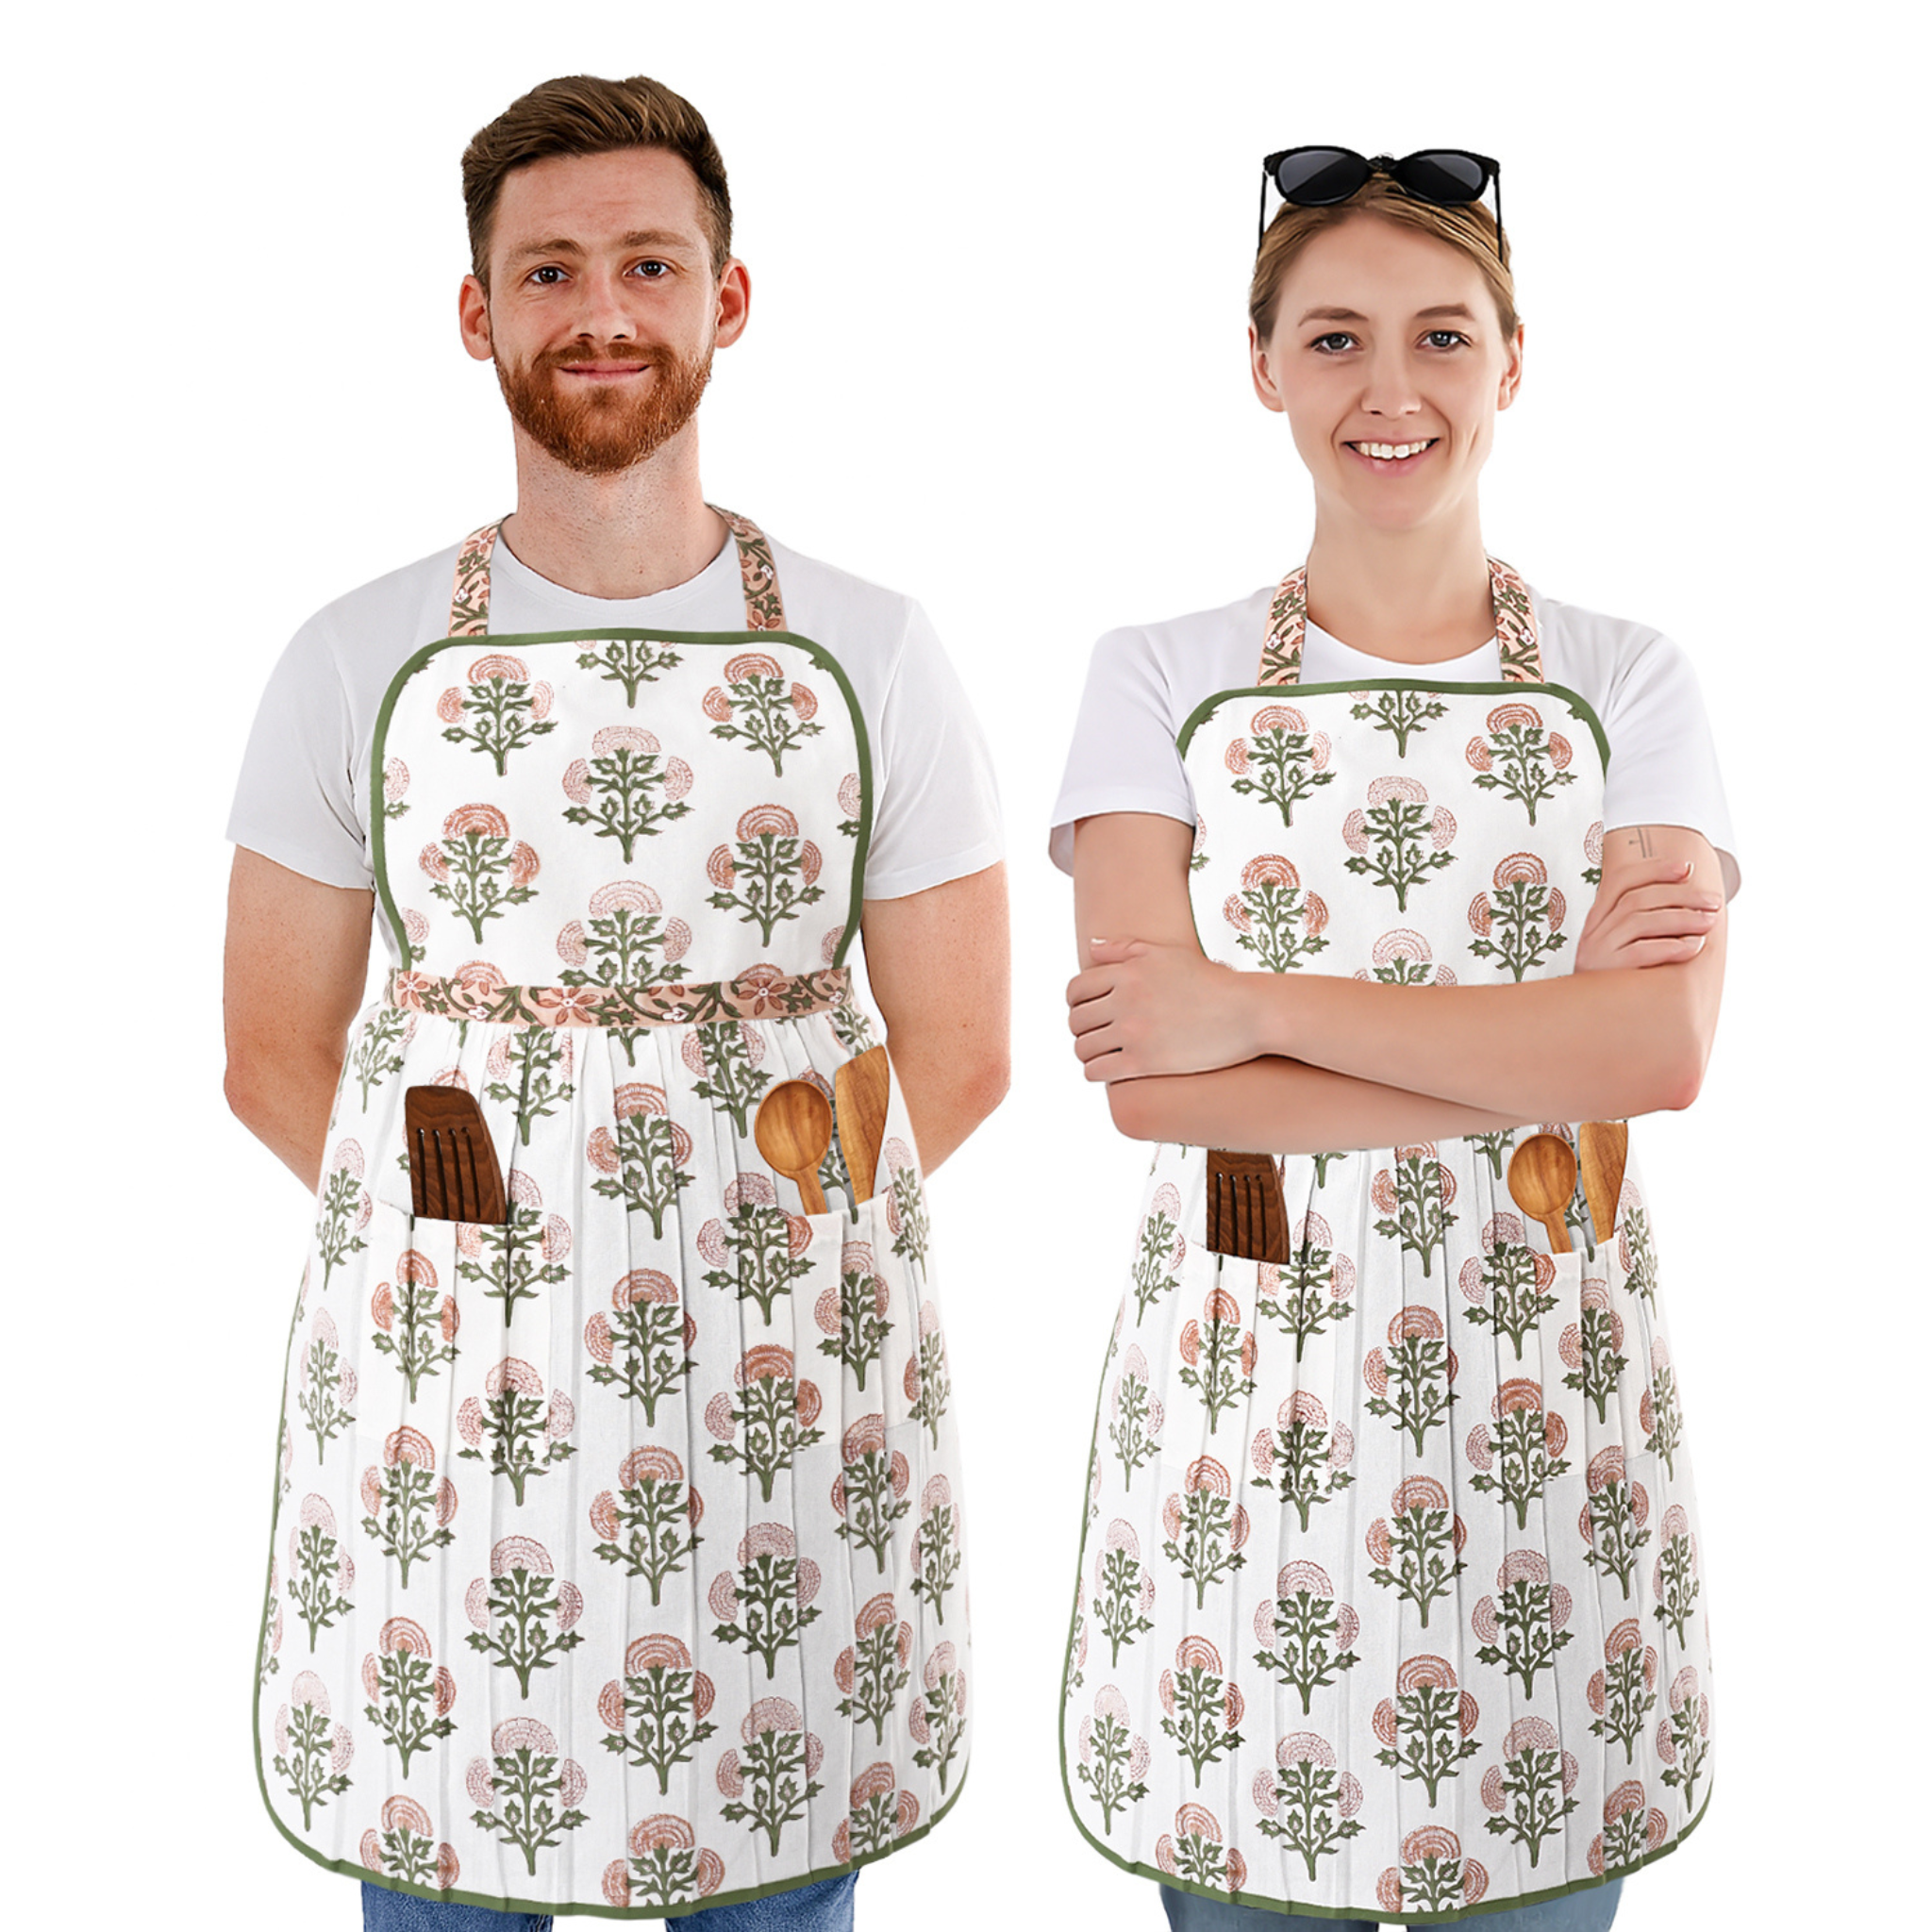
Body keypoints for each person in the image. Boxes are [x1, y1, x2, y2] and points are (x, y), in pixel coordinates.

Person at [224, 74, 1008, 1930]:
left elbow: (959, 1048)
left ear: (726, 301)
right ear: (478, 312)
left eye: (649, 262)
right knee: (446, 1870)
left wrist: (752, 1256)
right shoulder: (355, 654)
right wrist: (493, 1274)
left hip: (772, 1421)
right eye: (551, 267)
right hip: (451, 1430)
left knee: (770, 1866)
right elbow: (272, 1047)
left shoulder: (867, 645)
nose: (603, 308)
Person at [1052, 148, 1732, 1930]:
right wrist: (1532, 1038)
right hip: (1241, 1429)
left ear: (1513, 363)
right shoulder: (1156, 676)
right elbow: (1151, 1086)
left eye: (1442, 335)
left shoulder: (1628, 679)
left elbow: (1657, 1053)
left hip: (1542, 1430)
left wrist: (1255, 1007)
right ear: (1262, 364)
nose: (1392, 389)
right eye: (1336, 338)